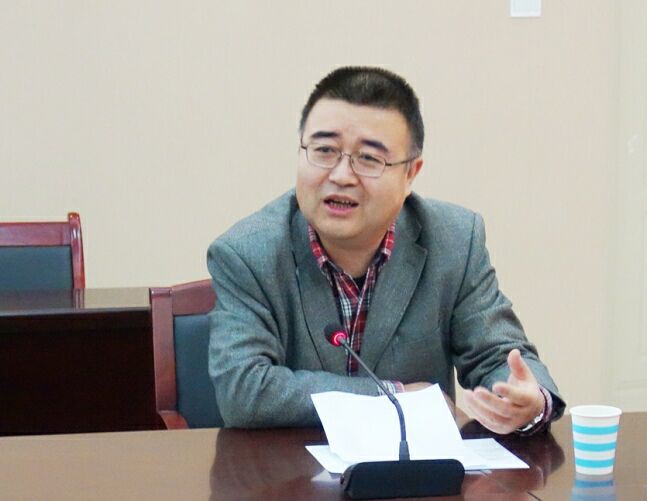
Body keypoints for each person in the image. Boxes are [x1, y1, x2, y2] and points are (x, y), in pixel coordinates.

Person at [207, 66, 564, 434]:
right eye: (324, 150)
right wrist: (394, 396)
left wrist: (531, 402)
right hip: (288, 466)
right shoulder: (247, 254)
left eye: (369, 159)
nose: (341, 176)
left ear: (410, 174)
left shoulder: (453, 241)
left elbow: (498, 356)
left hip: (416, 466)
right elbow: (244, 390)